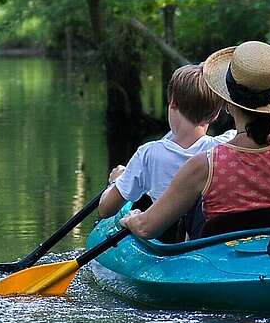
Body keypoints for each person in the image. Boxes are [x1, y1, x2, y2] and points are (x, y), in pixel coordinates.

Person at [120, 41, 270, 240]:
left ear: (227, 103)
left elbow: (146, 229)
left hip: (223, 268)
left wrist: (132, 217)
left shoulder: (204, 164)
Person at [97, 64, 234, 240]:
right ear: (215, 115)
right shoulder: (224, 146)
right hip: (204, 237)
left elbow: (105, 209)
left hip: (166, 240)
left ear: (172, 102)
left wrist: (116, 182)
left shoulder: (148, 154)